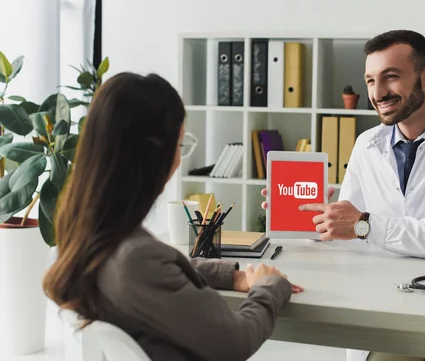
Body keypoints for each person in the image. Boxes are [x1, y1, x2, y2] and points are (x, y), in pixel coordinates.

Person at [261, 30, 425, 361]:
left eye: (391, 78)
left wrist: (363, 224)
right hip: (380, 303)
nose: (378, 93)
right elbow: (348, 230)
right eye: (371, 80)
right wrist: (312, 215)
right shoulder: (367, 144)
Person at [43, 72, 303, 361]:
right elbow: (236, 341)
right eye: (179, 145)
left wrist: (233, 276)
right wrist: (268, 287)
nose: (179, 160)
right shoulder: (136, 259)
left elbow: (160, 273)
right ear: (153, 154)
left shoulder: (86, 234)